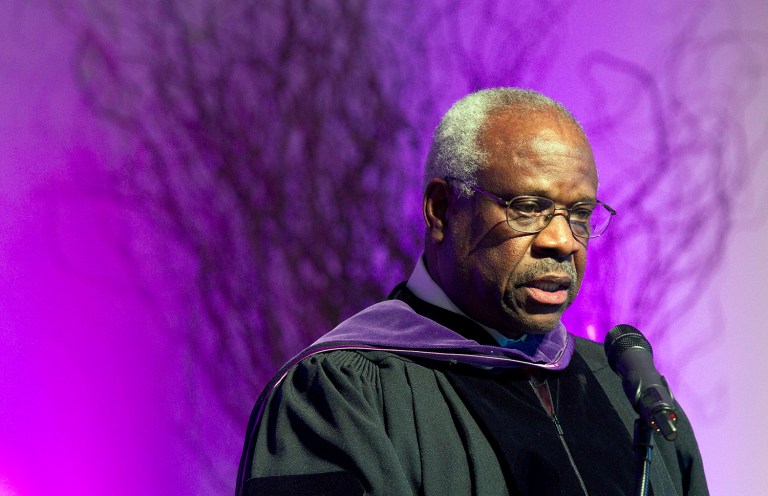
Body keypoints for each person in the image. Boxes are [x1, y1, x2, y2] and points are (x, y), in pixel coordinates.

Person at [236, 88, 708, 496]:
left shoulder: (628, 394)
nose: (563, 241)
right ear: (442, 210)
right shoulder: (338, 396)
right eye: (528, 208)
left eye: (580, 214)